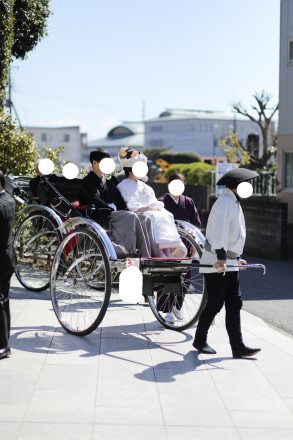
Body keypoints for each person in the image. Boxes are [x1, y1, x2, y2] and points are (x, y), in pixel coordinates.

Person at [192, 167, 261, 358]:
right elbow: (218, 232)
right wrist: (222, 257)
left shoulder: (233, 202)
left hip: (228, 261)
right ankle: (199, 339)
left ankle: (238, 346)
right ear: (238, 186)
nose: (249, 186)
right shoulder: (224, 202)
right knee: (215, 303)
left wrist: (236, 258)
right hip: (217, 261)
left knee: (234, 302)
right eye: (247, 183)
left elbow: (234, 235)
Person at [78, 148, 153, 258]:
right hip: (100, 214)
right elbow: (93, 200)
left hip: (114, 213)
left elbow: (120, 203)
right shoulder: (86, 182)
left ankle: (146, 254)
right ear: (94, 163)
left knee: (143, 218)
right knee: (130, 216)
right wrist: (112, 208)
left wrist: (128, 210)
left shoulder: (110, 183)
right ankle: (130, 251)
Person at [117, 147, 187, 259]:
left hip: (150, 211)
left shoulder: (145, 186)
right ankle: (159, 250)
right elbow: (129, 203)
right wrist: (144, 208)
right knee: (153, 217)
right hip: (138, 214)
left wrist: (154, 206)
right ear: (130, 170)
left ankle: (168, 249)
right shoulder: (122, 185)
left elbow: (155, 201)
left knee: (167, 215)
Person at [155, 172, 202, 323]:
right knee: (169, 276)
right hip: (169, 243)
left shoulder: (188, 201)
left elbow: (196, 223)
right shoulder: (161, 201)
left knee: (186, 278)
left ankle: (178, 305)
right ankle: (167, 310)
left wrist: (195, 243)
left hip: (186, 243)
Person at [0, 171, 17, 360]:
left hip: (1, 258)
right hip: (7, 256)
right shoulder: (8, 199)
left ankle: (3, 346)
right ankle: (4, 340)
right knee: (3, 299)